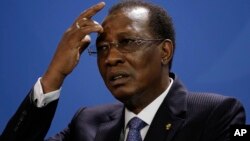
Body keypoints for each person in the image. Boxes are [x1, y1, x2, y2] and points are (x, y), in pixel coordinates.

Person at [0, 1, 246, 141]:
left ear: (165, 51)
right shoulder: (87, 123)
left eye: (127, 42)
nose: (111, 58)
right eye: (103, 48)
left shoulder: (218, 114)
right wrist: (54, 74)